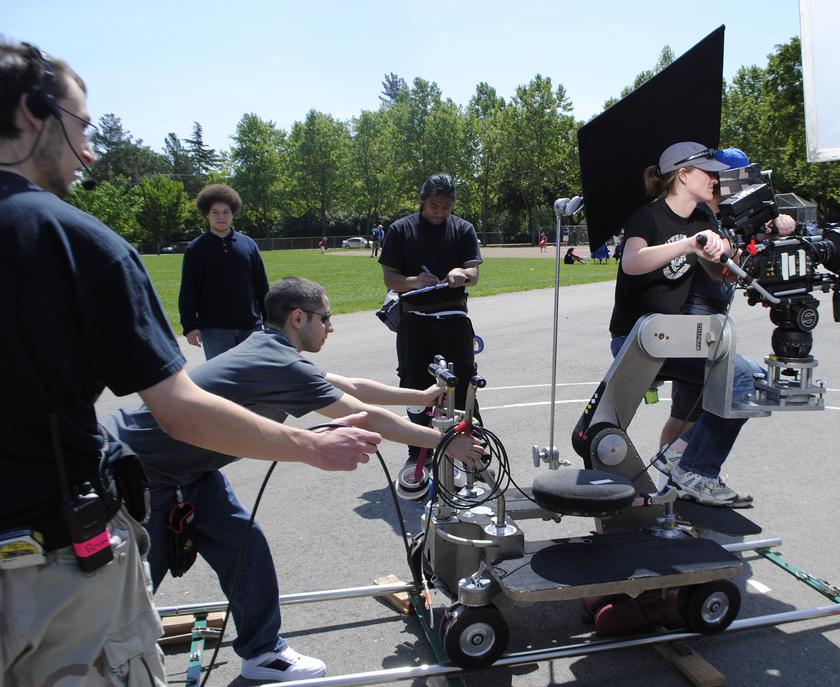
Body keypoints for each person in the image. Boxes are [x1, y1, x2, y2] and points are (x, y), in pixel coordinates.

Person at [0, 41, 380, 685]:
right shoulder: (80, 243)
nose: (89, 150)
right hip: (53, 558)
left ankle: (262, 648)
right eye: (82, 125)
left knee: (235, 538)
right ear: (36, 113)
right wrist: (309, 446)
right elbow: (179, 410)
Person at [101, 276, 481, 681]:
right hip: (140, 474)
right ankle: (102, 668)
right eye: (326, 318)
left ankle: (262, 652)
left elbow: (348, 386)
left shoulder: (272, 350)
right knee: (131, 597)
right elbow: (361, 413)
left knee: (245, 545)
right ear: (298, 317)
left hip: (189, 472)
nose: (331, 327)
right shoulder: (277, 362)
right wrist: (444, 441)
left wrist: (419, 397)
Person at [609, 141, 766, 507]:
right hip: (637, 338)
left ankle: (683, 459)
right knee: (739, 377)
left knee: (751, 379)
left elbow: (715, 272)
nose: (715, 178)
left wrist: (724, 258)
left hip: (673, 338)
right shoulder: (648, 216)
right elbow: (631, 262)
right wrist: (689, 246)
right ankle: (694, 468)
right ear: (682, 175)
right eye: (707, 172)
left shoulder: (701, 220)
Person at [379, 173, 482, 474]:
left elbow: (474, 274)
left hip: (453, 319)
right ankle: (418, 452)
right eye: (434, 206)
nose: (439, 212)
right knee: (414, 385)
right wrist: (412, 282)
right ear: (422, 200)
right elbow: (390, 277)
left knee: (462, 381)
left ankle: (468, 445)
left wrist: (461, 273)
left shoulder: (463, 229)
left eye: (446, 207)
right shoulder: (401, 229)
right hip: (414, 321)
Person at [179, 183, 270, 359]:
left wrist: (270, 318)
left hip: (251, 327)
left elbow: (262, 285)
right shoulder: (196, 249)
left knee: (254, 378)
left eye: (226, 211)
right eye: (215, 212)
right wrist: (190, 326)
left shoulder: (248, 245)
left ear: (233, 213)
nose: (221, 217)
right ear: (206, 214)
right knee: (221, 383)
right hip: (215, 330)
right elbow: (189, 291)